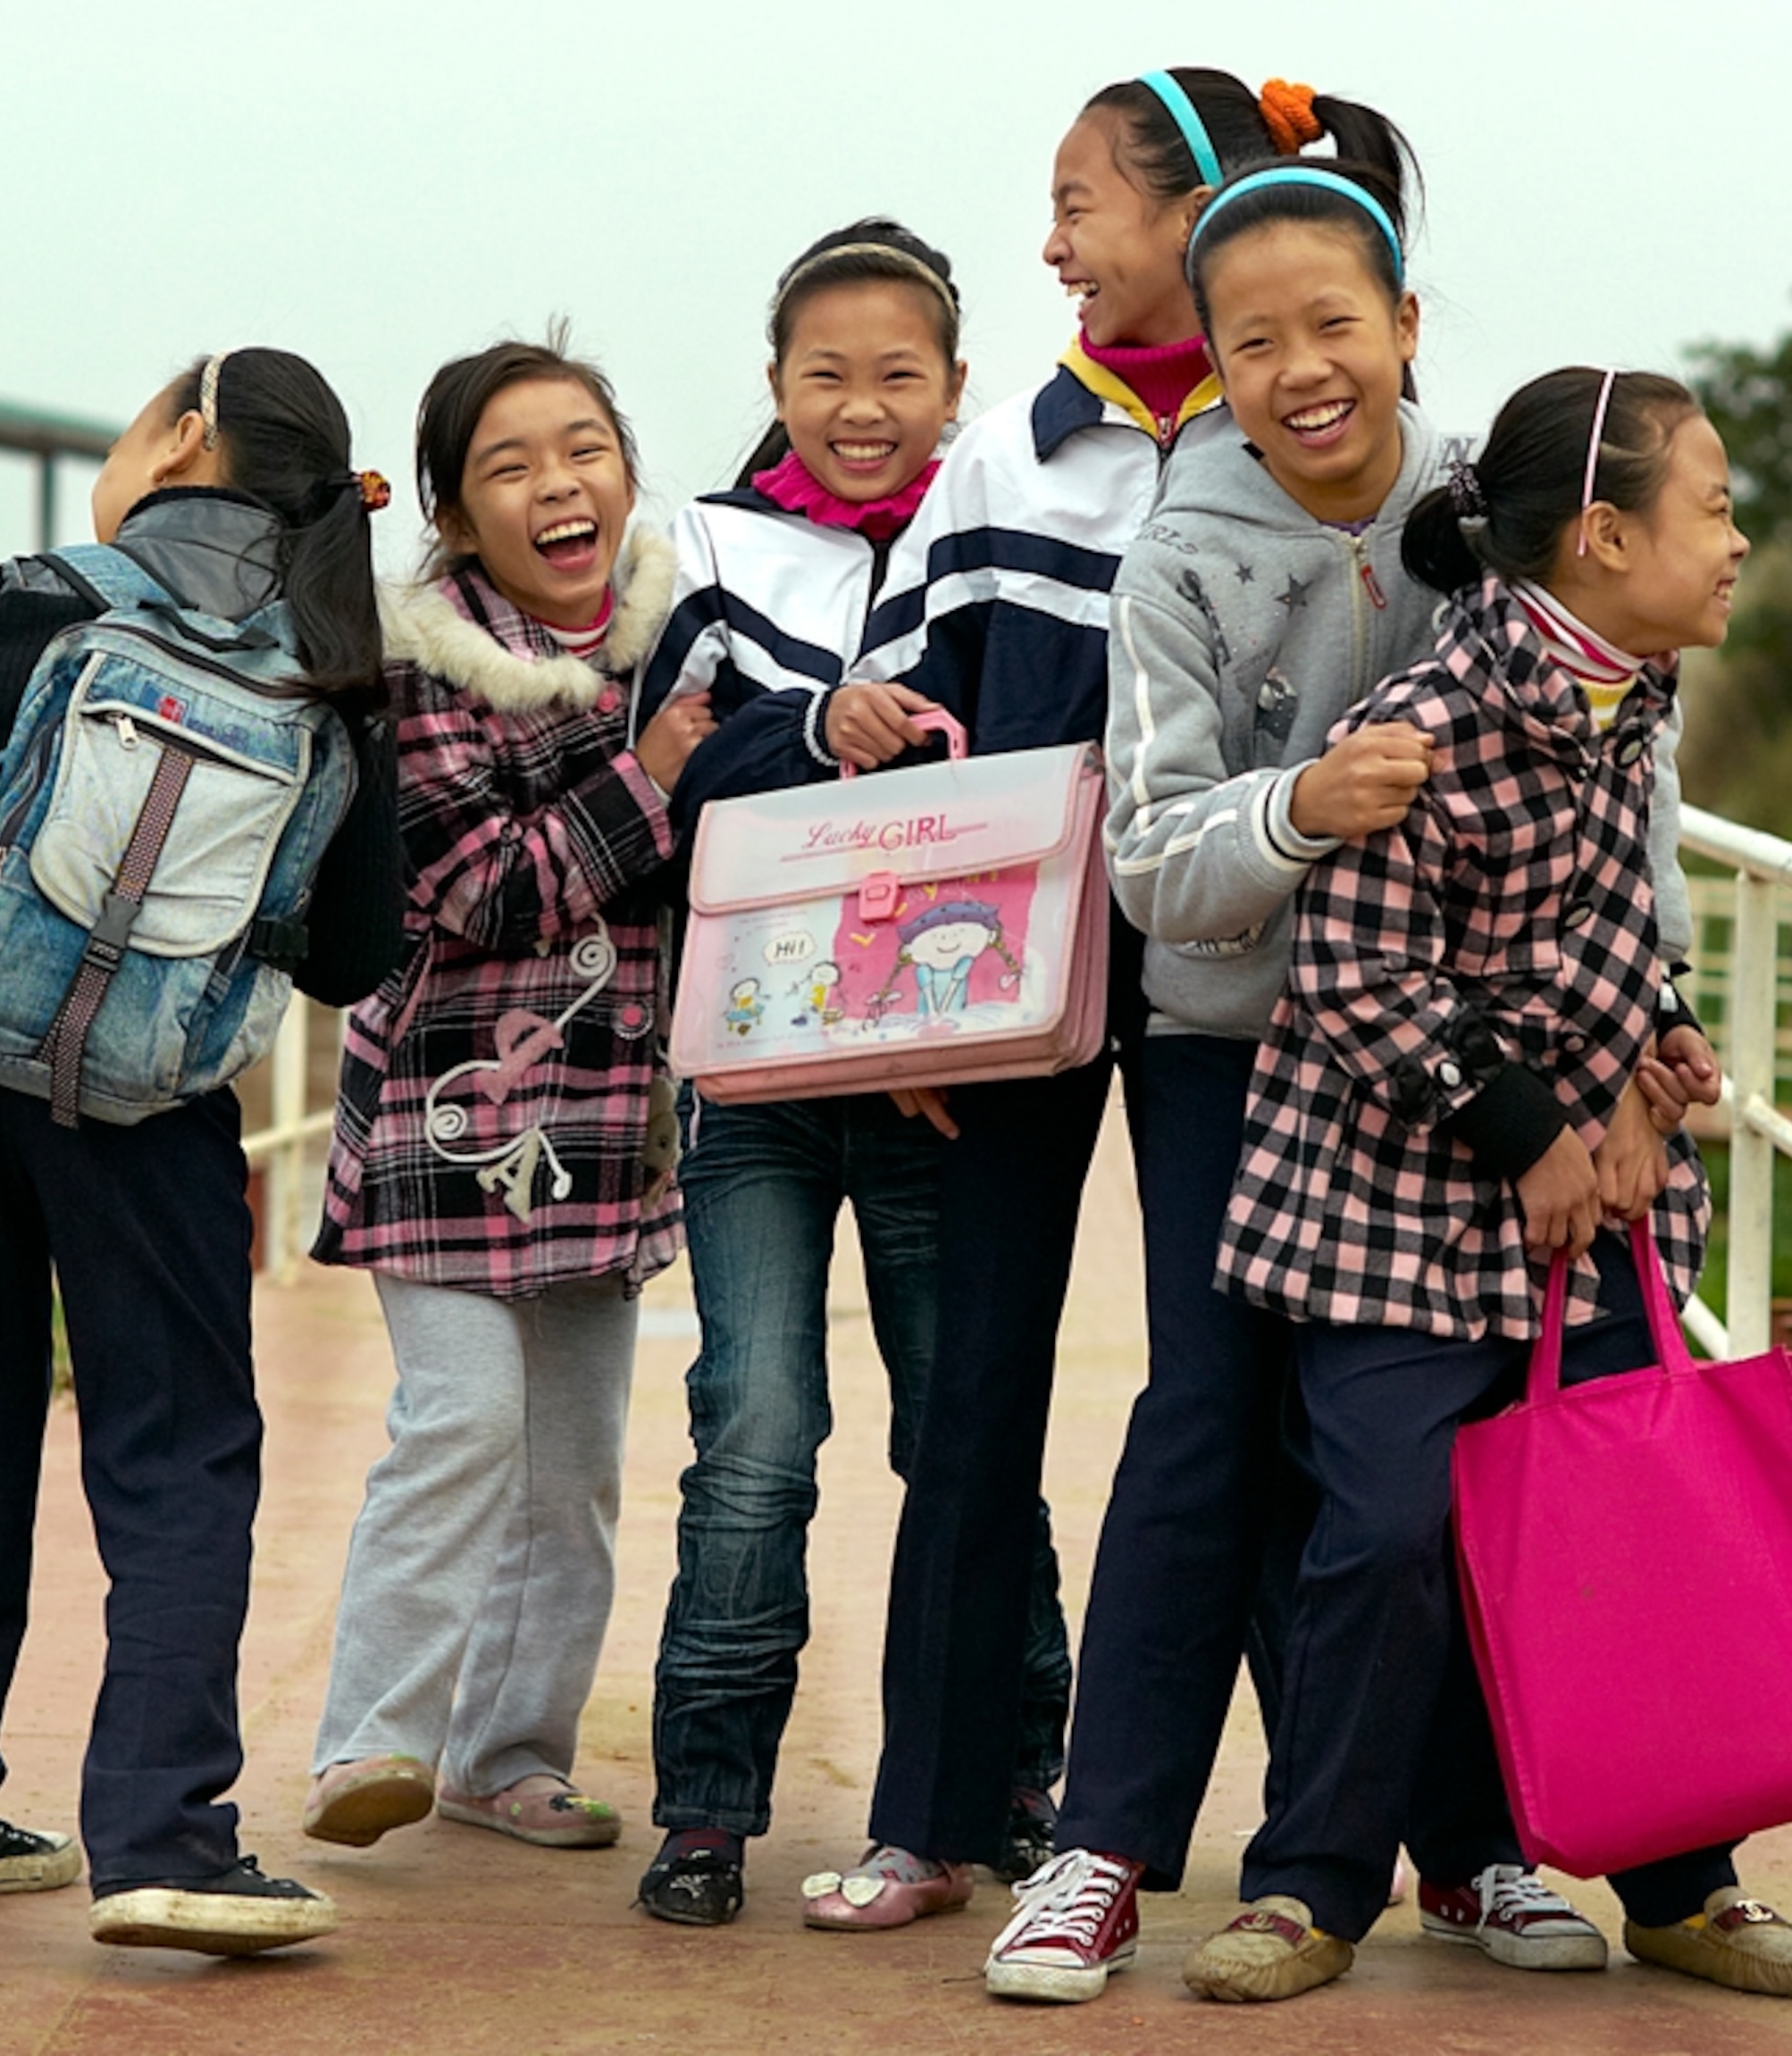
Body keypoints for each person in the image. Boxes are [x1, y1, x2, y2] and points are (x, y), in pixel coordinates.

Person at [1180, 367, 1792, 2004]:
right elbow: (1355, 967)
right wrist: (1534, 1130)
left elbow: (1609, 939)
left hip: (1589, 1206)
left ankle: (1687, 1878)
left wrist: (1653, 1064)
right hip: (1394, 1212)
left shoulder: (1635, 694)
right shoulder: (1435, 722)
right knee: (1385, 1533)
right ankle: (1310, 1888)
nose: (1741, 541)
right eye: (1718, 507)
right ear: (1606, 537)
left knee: (1643, 1519)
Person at [0, 347, 403, 1956]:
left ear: (181, 437)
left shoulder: (49, 590)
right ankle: (167, 1835)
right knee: (177, 1445)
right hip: (151, 1110)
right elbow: (349, 950)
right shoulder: (335, 648)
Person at [809, 66, 1305, 1930]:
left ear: (1196, 215)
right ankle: (928, 1818)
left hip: (1222, 992)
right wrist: (918, 1016)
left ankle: (1299, 1845)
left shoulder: (1295, 443)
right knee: (973, 1401)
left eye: (1082, 201)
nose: (1053, 241)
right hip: (1005, 1001)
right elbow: (910, 735)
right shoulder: (1005, 460)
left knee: (1226, 1394)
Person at [624, 220, 1076, 1928]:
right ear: (774, 387)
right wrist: (816, 732)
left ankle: (1019, 1769)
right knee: (757, 1429)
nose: (862, 406)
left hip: (932, 1072)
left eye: (900, 375)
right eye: (827, 375)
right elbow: (669, 770)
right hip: (750, 1074)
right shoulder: (713, 547)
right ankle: (706, 1802)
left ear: (957, 387)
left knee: (967, 1424)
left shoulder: (996, 535)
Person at [300, 334, 714, 1864]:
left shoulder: (682, 632)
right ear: (457, 518)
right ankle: (372, 1739)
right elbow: (476, 885)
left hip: (609, 1121)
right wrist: (652, 779)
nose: (561, 485)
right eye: (512, 466)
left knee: (577, 1466)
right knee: (462, 1423)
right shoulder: (418, 666)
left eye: (584, 446)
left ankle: (509, 1748)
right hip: (446, 1112)